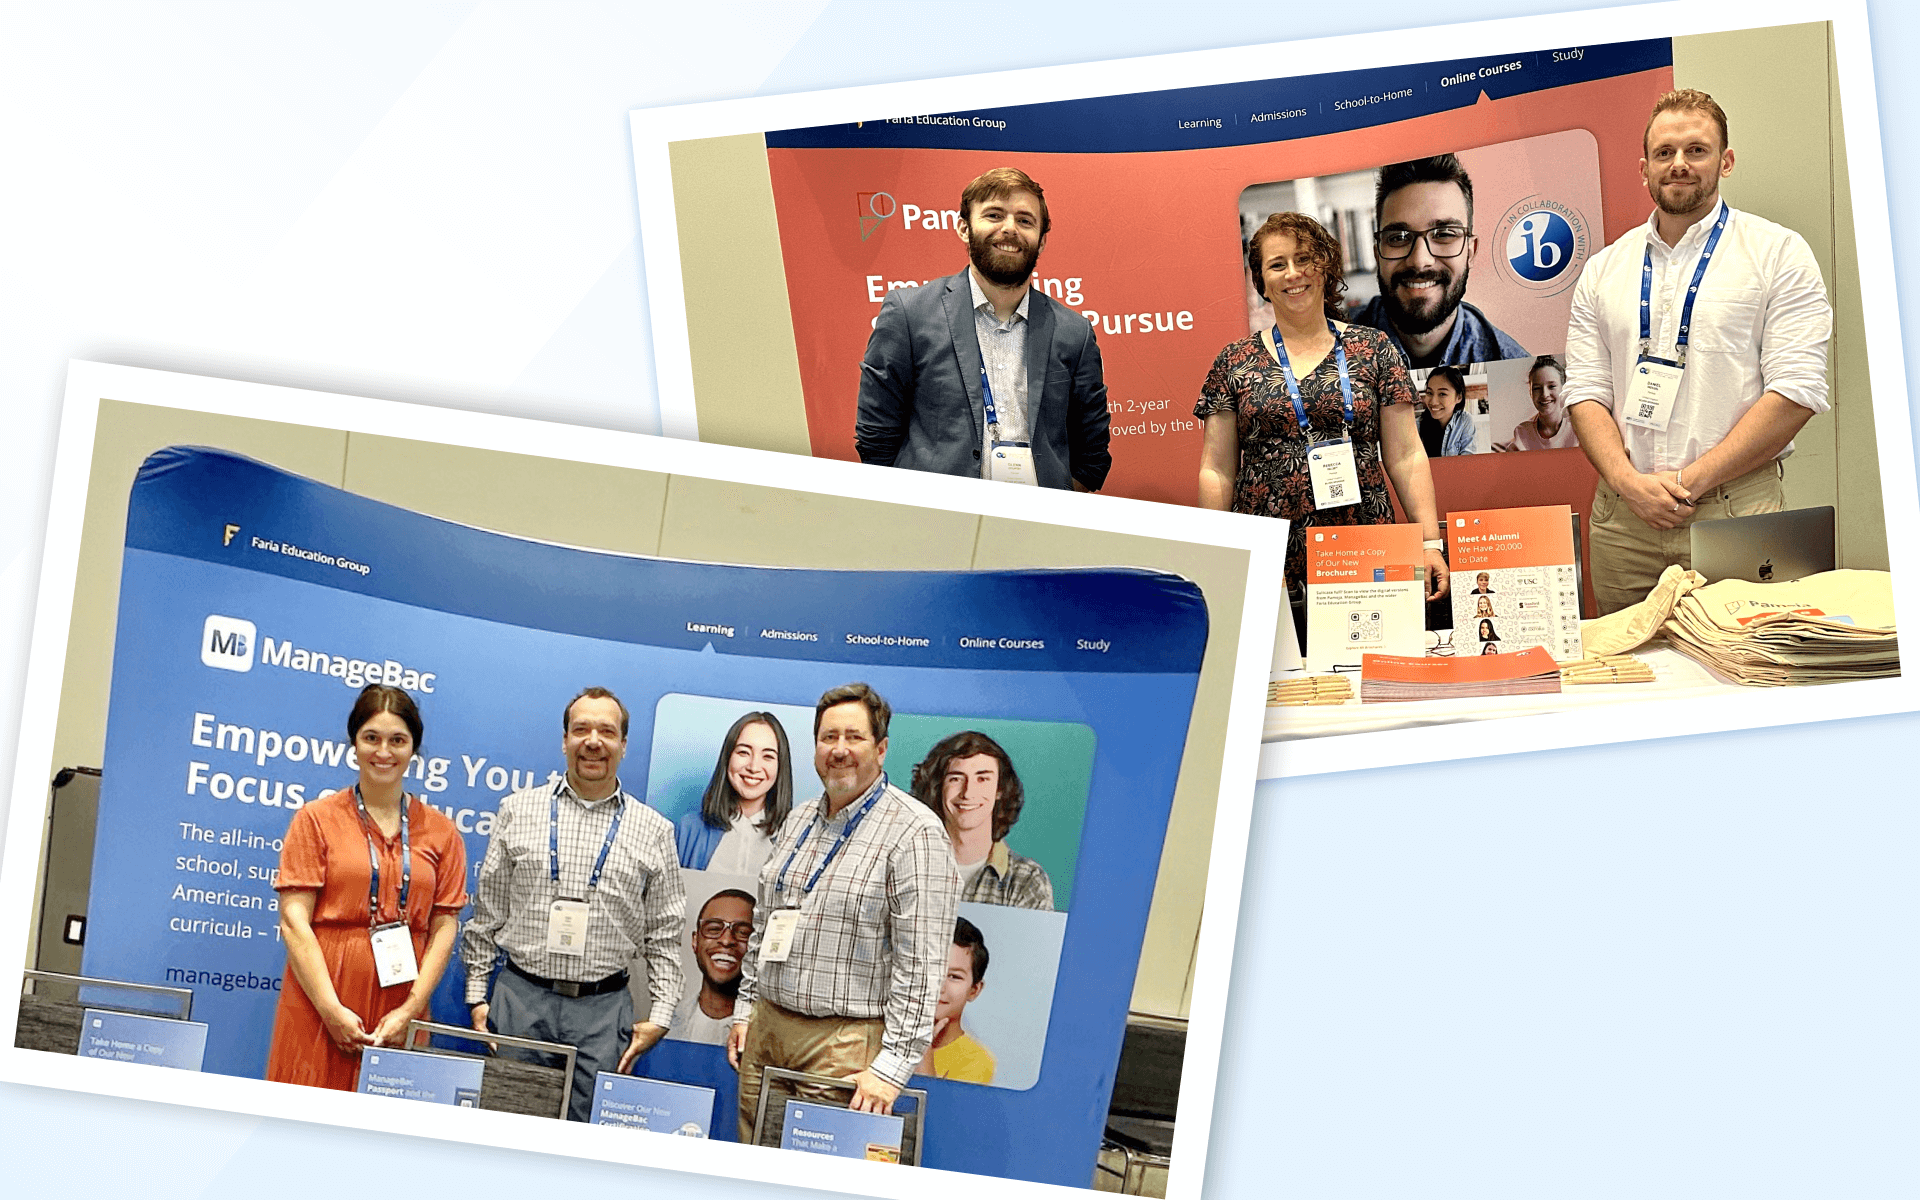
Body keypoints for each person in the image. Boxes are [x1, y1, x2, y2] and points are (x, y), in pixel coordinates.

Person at [1565, 89, 1833, 614]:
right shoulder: (1603, 269)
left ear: (1725, 161)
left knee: (1745, 655)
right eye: (1664, 153)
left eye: (1697, 150)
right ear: (1644, 169)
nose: (1679, 164)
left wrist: (1691, 482)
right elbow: (1586, 391)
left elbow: (1797, 390)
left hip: (1734, 509)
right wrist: (1628, 483)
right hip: (1625, 521)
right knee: (1629, 657)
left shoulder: (1777, 253)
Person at [1198, 210, 1449, 649]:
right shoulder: (1233, 362)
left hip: (1363, 544)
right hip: (1268, 556)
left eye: (1304, 259)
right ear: (1261, 281)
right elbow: (1217, 470)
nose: (1293, 274)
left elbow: (1407, 455)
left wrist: (1430, 542)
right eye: (1277, 264)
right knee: (1277, 680)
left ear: (1327, 267)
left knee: (1375, 669)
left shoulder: (1374, 349)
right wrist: (1220, 556)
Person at [728, 683, 961, 1139]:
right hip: (767, 1031)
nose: (839, 750)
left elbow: (922, 963)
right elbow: (765, 925)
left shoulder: (915, 833)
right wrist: (745, 1010)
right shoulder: (797, 820)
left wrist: (893, 1067)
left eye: (854, 737)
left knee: (818, 1171)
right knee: (752, 1165)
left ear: (881, 748)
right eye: (828, 737)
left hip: (845, 1044)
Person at [460, 687, 686, 1122]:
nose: (593, 741)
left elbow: (664, 935)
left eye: (607, 731)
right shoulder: (517, 810)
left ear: (623, 744)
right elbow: (488, 912)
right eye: (581, 729)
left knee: (587, 1142)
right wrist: (476, 996)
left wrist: (660, 1015)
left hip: (603, 1014)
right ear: (565, 740)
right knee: (506, 1133)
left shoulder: (654, 830)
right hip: (521, 1000)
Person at [855, 167, 1111, 491]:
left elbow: (1092, 453)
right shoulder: (909, 314)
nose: (1009, 228)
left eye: (1025, 220)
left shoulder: (1074, 332)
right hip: (937, 515)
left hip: (1037, 518)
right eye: (994, 215)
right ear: (964, 228)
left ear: (1042, 241)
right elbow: (876, 438)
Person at [267, 685, 468, 1091]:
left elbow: (445, 926)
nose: (384, 752)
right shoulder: (315, 819)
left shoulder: (443, 832)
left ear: (414, 749)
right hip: (320, 1001)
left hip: (401, 1005)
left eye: (398, 740)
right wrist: (330, 1010)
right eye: (371, 738)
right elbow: (293, 921)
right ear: (354, 744)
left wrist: (411, 1011)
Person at [1355, 155, 1528, 369]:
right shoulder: (1325, 354)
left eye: (1444, 234)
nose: (1420, 261)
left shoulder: (1514, 366)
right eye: (1398, 237)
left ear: (1470, 252)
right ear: (1377, 253)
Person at [909, 730, 1053, 910]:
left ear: (999, 790)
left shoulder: (1027, 881)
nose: (968, 793)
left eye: (982, 779)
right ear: (937, 788)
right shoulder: (905, 866)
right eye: (955, 778)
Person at [676, 711, 793, 877]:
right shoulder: (688, 829)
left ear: (781, 766)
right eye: (743, 752)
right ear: (728, 758)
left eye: (768, 756)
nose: (753, 767)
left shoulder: (796, 838)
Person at [671, 889, 756, 1046]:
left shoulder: (771, 1036)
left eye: (743, 932)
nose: (726, 940)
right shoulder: (666, 1026)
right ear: (695, 941)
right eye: (714, 929)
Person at [916, 918, 995, 1084]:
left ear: (974, 990)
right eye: (930, 971)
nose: (939, 987)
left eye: (954, 976)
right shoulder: (881, 1034)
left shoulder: (977, 1062)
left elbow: (934, 1101)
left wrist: (923, 1050)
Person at [1496, 356, 1580, 451]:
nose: (1544, 394)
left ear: (1563, 388)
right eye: (1537, 388)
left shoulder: (1578, 427)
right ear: (1530, 392)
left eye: (1551, 386)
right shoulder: (1522, 432)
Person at [1415, 365, 1476, 457]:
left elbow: (1467, 461)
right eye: (1429, 393)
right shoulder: (1417, 425)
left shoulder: (1464, 421)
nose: (1433, 402)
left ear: (1459, 397)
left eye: (1442, 394)